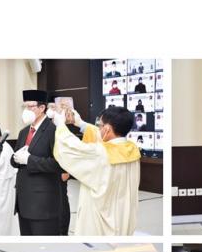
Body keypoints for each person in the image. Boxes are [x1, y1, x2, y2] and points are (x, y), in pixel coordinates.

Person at [51, 106, 141, 235]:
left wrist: (60, 124)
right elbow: (104, 137)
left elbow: (72, 147)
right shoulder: (132, 149)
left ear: (107, 128)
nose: (98, 128)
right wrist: (80, 123)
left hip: (99, 217)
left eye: (100, 125)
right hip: (122, 213)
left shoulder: (100, 153)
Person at [12, 90, 65, 235]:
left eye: (30, 107)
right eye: (25, 107)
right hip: (24, 201)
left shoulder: (53, 131)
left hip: (43, 204)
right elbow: (15, 159)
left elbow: (59, 164)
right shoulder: (24, 132)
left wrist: (29, 160)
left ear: (42, 108)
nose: (26, 110)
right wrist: (15, 158)